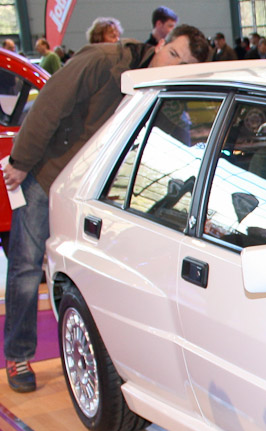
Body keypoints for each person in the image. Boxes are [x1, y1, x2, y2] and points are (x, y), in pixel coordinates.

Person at [3, 27, 211, 393]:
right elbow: (49, 106)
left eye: (187, 65)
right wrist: (21, 160)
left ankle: (108, 359)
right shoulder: (102, 62)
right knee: (25, 266)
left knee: (96, 274)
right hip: (48, 175)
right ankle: (18, 353)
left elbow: (173, 146)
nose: (176, 65)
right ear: (160, 44)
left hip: (98, 193)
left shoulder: (166, 91)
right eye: (174, 55)